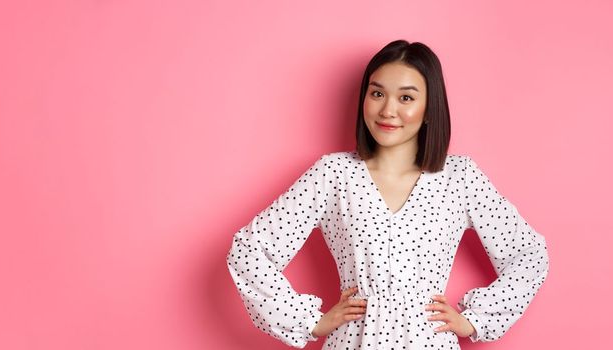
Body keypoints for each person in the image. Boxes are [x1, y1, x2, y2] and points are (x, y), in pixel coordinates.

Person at [226, 39, 550, 349]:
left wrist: (476, 319)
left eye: (406, 98)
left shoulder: (460, 178)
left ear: (429, 108)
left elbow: (529, 254)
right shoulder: (333, 174)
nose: (387, 110)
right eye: (377, 93)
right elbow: (249, 251)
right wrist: (307, 321)